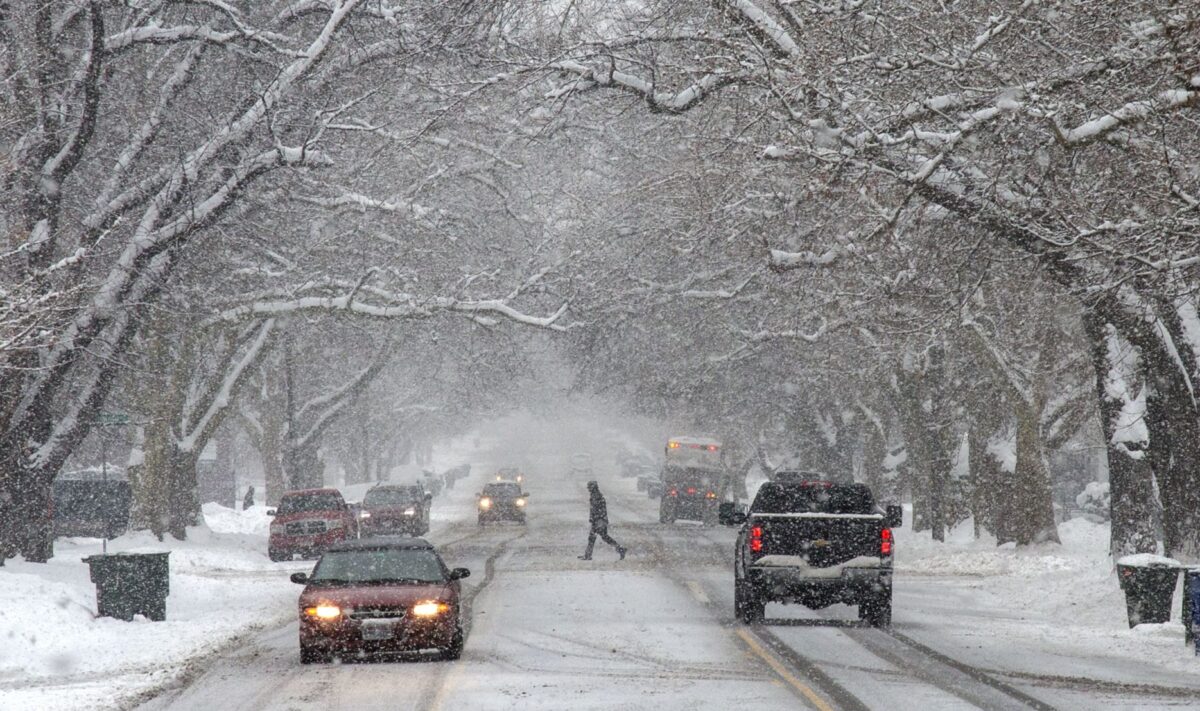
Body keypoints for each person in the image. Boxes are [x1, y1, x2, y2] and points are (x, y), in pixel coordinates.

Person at [579, 481, 626, 561]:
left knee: (594, 537)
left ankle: (588, 555)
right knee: (602, 537)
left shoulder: (596, 496)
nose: (588, 489)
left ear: (592, 487)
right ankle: (620, 549)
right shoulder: (596, 495)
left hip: (599, 521)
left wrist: (596, 519)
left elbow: (596, 510)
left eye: (589, 487)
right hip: (599, 520)